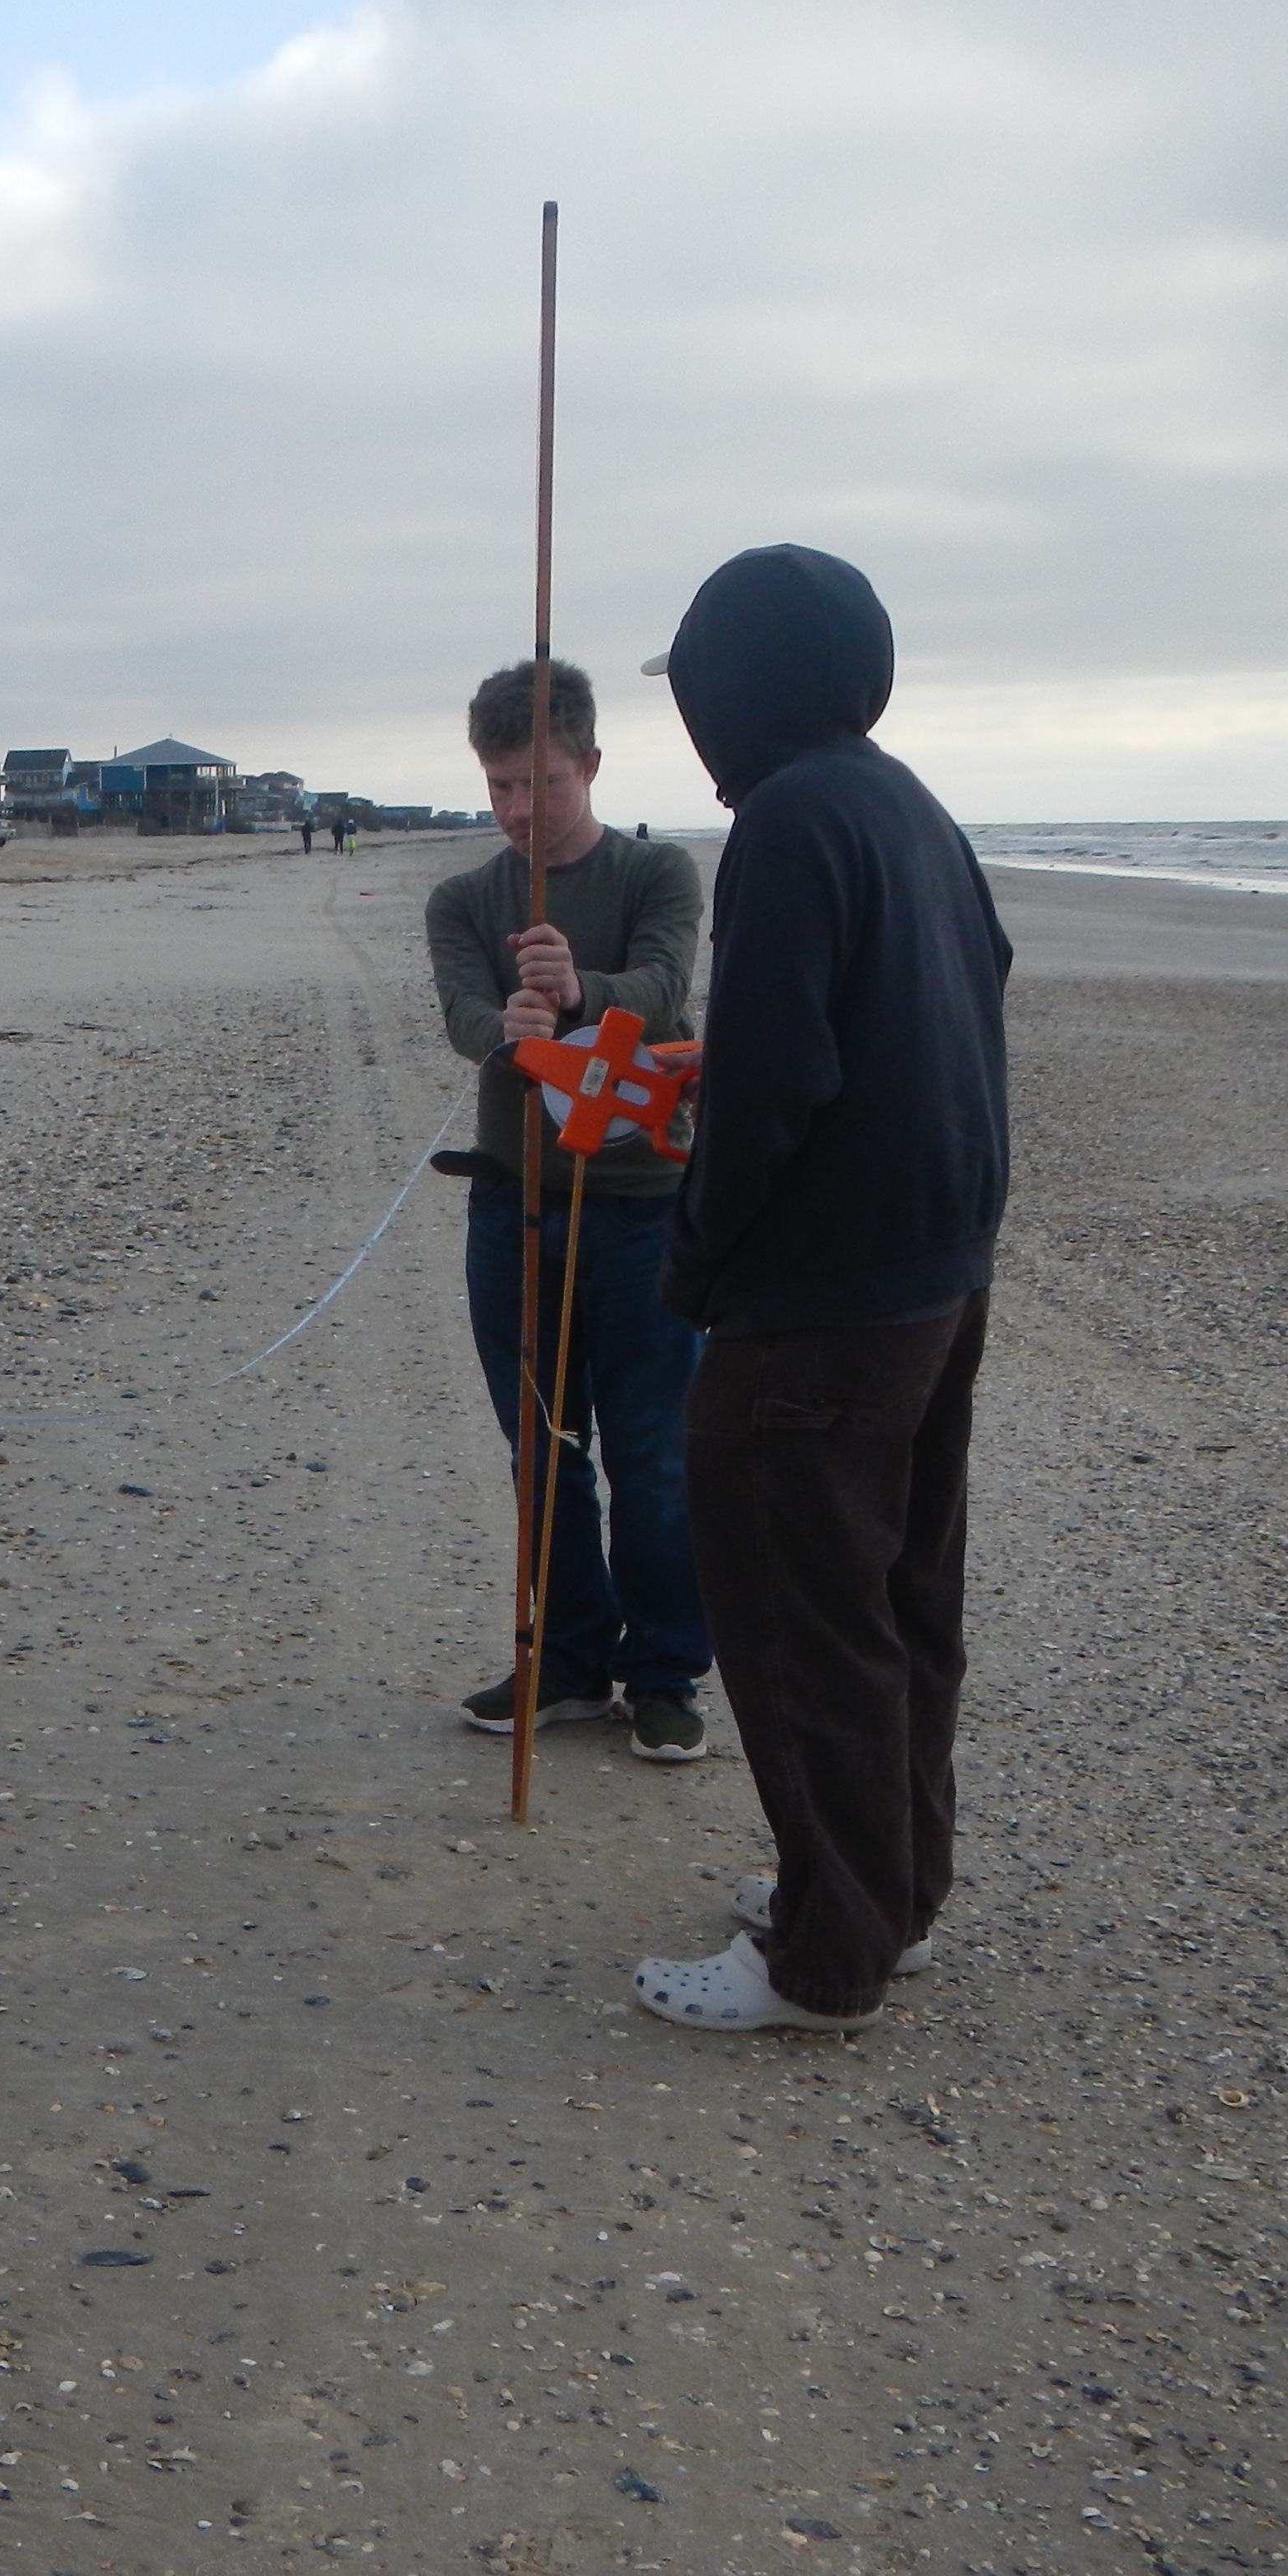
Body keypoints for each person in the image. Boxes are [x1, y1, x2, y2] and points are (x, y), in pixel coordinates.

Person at [630, 544, 1011, 2034]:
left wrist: (695, 1258)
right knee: (902, 1603)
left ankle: (823, 1957)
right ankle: (882, 1889)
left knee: (800, 1618)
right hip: (932, 1280)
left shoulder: (790, 821)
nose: (691, 716)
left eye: (695, 684)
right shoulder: (907, 805)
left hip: (822, 1307)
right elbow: (945, 1005)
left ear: (740, 689)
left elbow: (781, 1083)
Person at [423, 659, 712, 1766]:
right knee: (544, 1447)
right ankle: (573, 1660)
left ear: (589, 765)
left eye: (539, 783)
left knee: (652, 1452)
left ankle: (665, 1670)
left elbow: (665, 989)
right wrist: (513, 1021)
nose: (516, 810)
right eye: (498, 786)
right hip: (517, 1206)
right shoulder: (465, 900)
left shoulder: (657, 874)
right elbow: (460, 1017)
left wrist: (583, 989)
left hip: (642, 1208)